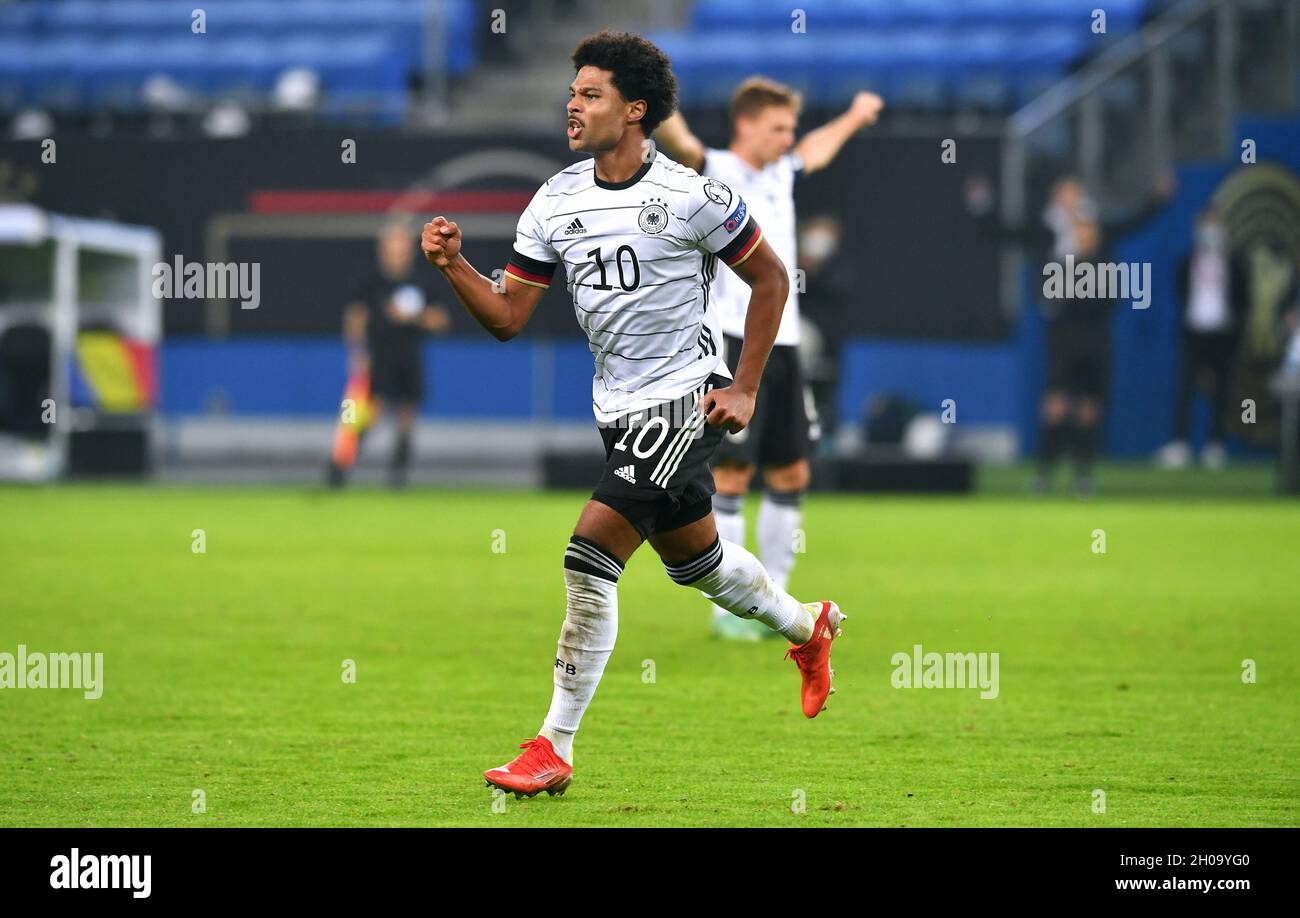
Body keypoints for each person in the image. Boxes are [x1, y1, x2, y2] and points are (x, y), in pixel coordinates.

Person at [422, 31, 845, 799]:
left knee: (589, 558)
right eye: (573, 92)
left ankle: (553, 745)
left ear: (635, 109)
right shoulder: (556, 199)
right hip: (617, 414)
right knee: (704, 570)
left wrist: (745, 387)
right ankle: (806, 625)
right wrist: (455, 267)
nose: (573, 105)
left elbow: (773, 280)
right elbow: (509, 316)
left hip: (686, 399)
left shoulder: (692, 195)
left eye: (590, 94)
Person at [654, 79, 881, 639]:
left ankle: (773, 597)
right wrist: (649, 92)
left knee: (792, 469)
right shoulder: (717, 168)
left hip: (786, 343)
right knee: (732, 473)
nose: (787, 139)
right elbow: (677, 137)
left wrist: (854, 113)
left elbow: (817, 149)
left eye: (790, 129)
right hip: (734, 340)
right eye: (778, 128)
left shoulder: (783, 172)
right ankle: (731, 608)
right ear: (746, 125)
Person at [966, 172, 1172, 496]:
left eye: (1076, 198)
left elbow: (1134, 222)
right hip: (1063, 336)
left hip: (1096, 336)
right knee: (1057, 403)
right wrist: (981, 207)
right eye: (1065, 197)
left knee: (1089, 407)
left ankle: (1083, 475)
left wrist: (1157, 198)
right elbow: (1005, 233)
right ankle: (1045, 473)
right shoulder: (1049, 239)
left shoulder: (1101, 246)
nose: (1073, 207)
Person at [327, 220, 449, 488]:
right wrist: (357, 352)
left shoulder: (423, 281)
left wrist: (413, 316)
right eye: (391, 245)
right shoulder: (370, 282)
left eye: (401, 245)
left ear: (410, 249)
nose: (396, 250)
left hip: (411, 354)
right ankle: (340, 468)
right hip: (379, 355)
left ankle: (398, 473)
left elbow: (441, 320)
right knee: (370, 411)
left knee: (407, 413)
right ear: (383, 249)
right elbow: (355, 318)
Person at [1155, 206, 1248, 470]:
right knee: (1185, 389)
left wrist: (1236, 332)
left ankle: (1215, 446)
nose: (1210, 233)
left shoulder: (1236, 263)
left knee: (1222, 391)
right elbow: (1182, 296)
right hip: (1194, 333)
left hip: (1223, 335)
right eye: (1205, 226)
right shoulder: (1187, 262)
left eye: (1215, 226)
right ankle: (1180, 444)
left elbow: (1244, 301)